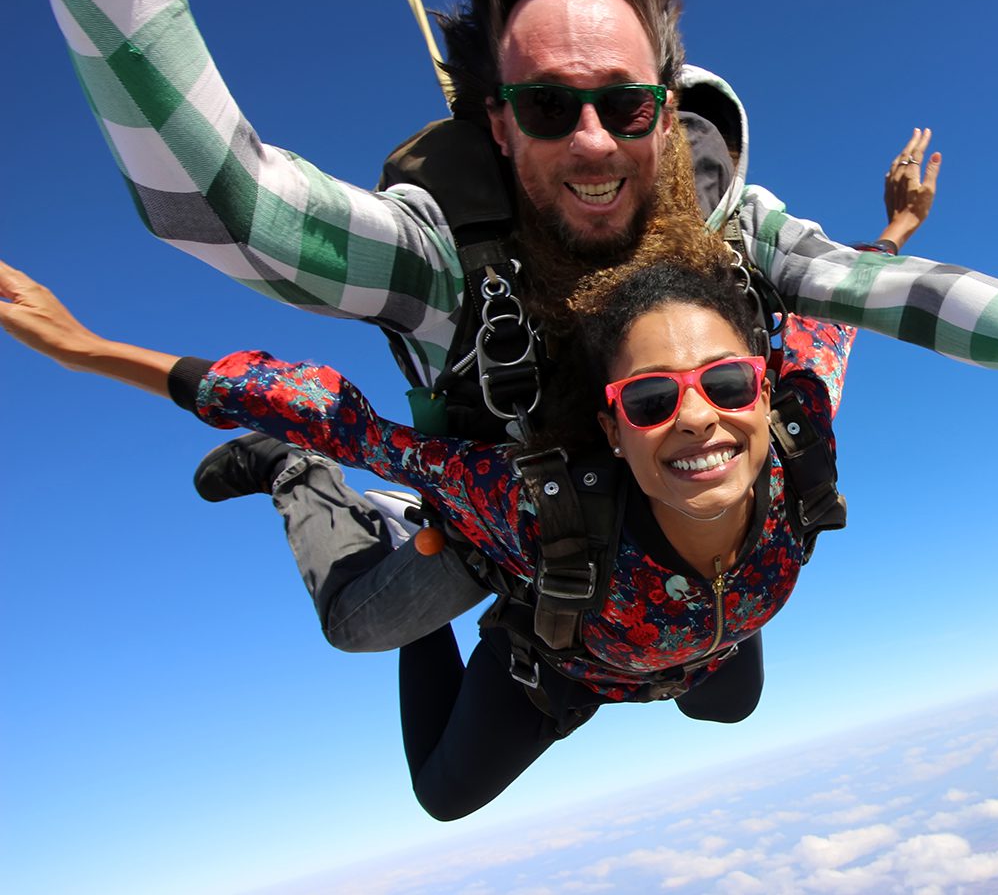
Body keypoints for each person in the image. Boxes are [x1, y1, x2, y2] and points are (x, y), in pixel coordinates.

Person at [15, 0, 998, 652]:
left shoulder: (725, 228)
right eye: (551, 108)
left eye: (622, 103)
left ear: (668, 107)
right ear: (498, 126)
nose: (596, 141)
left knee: (727, 679)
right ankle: (305, 495)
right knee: (363, 623)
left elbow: (876, 302)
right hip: (499, 521)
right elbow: (236, 214)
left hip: (662, 549)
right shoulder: (450, 258)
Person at [0, 234, 855, 820]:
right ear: (611, 429)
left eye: (730, 385)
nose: (700, 419)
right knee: (409, 727)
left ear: (766, 389)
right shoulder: (541, 504)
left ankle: (629, 640)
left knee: (731, 705)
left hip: (691, 647)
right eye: (653, 399)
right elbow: (348, 427)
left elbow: (838, 316)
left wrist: (890, 233)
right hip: (556, 655)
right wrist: (88, 349)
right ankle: (308, 486)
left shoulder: (800, 449)